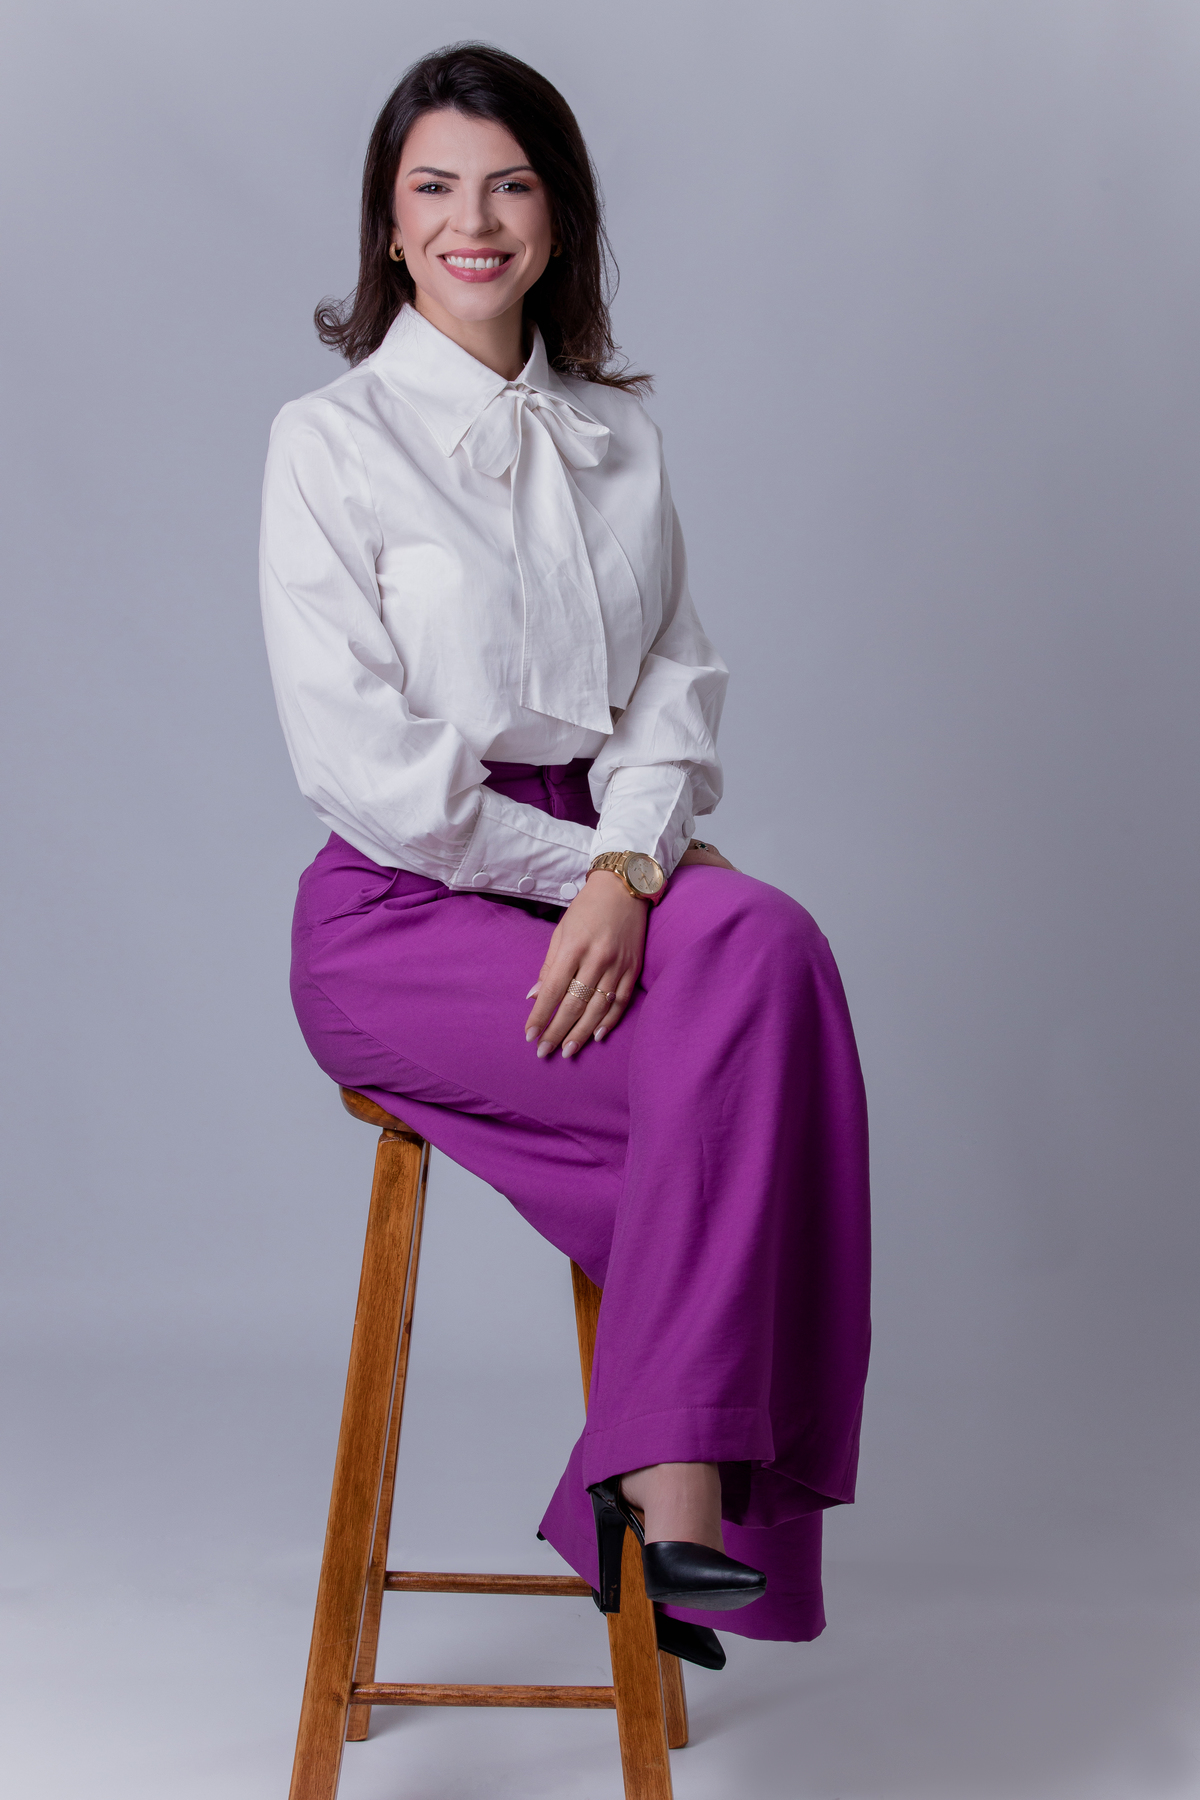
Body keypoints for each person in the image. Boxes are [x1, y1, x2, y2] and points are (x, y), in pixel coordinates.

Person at [260, 41, 871, 1670]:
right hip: (404, 910)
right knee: (752, 1069)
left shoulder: (618, 436)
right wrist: (589, 875)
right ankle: (670, 1498)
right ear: (389, 225)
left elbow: (674, 685)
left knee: (773, 955)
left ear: (559, 216)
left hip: (598, 868)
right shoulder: (329, 442)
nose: (474, 223)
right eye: (435, 189)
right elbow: (368, 769)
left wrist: (628, 870)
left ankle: (656, 1497)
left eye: (510, 186)